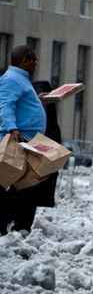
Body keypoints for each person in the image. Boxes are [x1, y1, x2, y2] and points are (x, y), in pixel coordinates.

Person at [0, 45, 47, 235]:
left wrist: (39, 99)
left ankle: (20, 225)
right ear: (24, 60)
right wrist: (12, 127)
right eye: (34, 59)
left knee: (27, 184)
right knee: (18, 184)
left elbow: (18, 103)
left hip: (28, 139)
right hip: (19, 139)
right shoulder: (12, 79)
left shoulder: (21, 80)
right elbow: (5, 104)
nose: (36, 63)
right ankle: (15, 225)